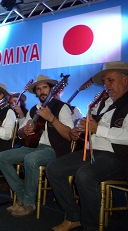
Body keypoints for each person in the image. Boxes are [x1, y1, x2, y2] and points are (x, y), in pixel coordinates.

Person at [46, 61, 128, 231]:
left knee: (84, 175)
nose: (106, 85)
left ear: (125, 80)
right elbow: (91, 129)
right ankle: (73, 216)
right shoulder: (102, 103)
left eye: (110, 80)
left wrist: (98, 129)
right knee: (53, 168)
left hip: (118, 156)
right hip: (93, 153)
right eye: (104, 81)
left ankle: (90, 227)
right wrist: (81, 131)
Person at [0, 75, 74, 216]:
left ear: (51, 89)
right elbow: (20, 133)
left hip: (54, 149)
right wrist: (23, 131)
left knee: (31, 160)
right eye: (38, 89)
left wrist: (51, 118)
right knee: (2, 157)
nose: (41, 91)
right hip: (33, 147)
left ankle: (29, 203)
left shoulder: (62, 107)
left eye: (44, 87)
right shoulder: (33, 109)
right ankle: (22, 195)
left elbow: (69, 134)